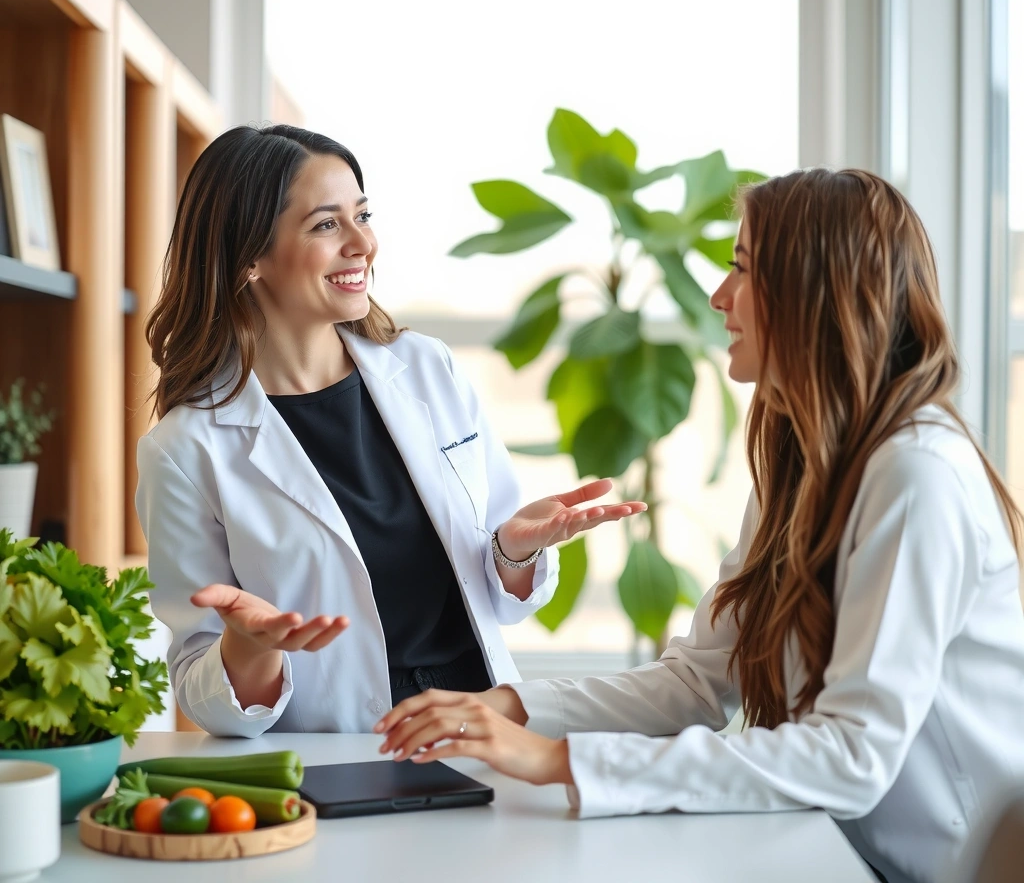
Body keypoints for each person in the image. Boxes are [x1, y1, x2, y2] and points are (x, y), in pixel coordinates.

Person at [375, 168, 1024, 883]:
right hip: (837, 849)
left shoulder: (918, 474)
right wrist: (509, 707)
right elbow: (698, 681)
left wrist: (555, 761)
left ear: (815, 295)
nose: (718, 296)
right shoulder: (802, 460)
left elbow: (851, 759)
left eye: (743, 269)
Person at [135, 124, 646, 737]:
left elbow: (506, 594)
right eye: (327, 224)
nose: (364, 243)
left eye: (363, 215)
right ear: (250, 257)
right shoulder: (188, 449)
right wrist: (250, 649)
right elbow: (201, 691)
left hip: (483, 725)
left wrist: (515, 548)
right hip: (344, 751)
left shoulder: (427, 370)